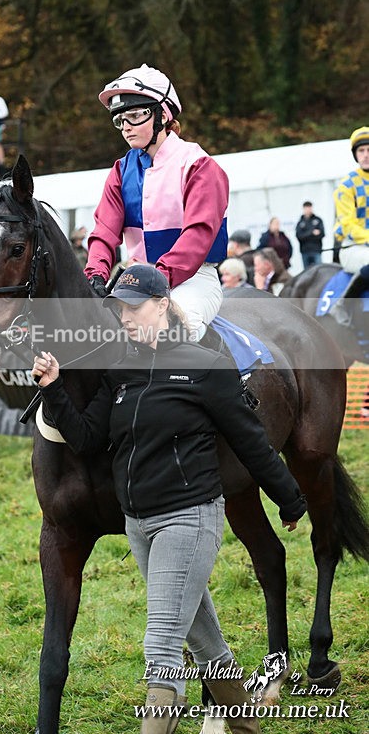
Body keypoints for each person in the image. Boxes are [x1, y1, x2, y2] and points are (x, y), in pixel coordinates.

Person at [32, 264, 307, 734]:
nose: (126, 319)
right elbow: (85, 436)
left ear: (162, 305)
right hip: (140, 525)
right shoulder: (120, 372)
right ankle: (244, 726)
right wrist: (55, 388)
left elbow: (249, 441)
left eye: (134, 308)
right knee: (206, 645)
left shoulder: (206, 366)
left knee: (161, 649)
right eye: (119, 310)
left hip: (189, 517)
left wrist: (289, 497)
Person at [85, 64, 229, 342]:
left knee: (170, 335)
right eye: (120, 120)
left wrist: (158, 278)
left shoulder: (200, 166)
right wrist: (96, 275)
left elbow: (197, 236)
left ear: (163, 115)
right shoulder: (120, 171)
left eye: (136, 115)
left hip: (193, 281)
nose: (126, 127)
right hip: (133, 284)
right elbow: (104, 232)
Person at [331, 125, 369, 326]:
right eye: (361, 151)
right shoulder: (347, 185)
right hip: (353, 247)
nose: (366, 155)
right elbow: (348, 224)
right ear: (355, 155)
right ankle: (342, 305)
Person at [295, 201, 325, 269]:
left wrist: (306, 235)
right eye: (306, 208)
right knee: (307, 272)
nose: (308, 210)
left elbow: (322, 234)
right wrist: (312, 233)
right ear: (303, 209)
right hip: (305, 251)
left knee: (319, 269)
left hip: (316, 250)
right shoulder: (300, 222)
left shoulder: (318, 220)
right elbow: (299, 236)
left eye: (309, 208)